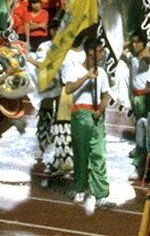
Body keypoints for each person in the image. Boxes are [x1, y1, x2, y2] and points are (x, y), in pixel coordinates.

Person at [62, 37, 114, 208]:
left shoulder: (102, 73)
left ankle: (101, 194)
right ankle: (79, 188)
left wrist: (101, 109)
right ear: (90, 52)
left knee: (99, 154)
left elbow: (106, 94)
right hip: (81, 113)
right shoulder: (75, 69)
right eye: (99, 51)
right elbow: (68, 89)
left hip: (97, 113)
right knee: (81, 153)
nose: (101, 54)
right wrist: (86, 77)